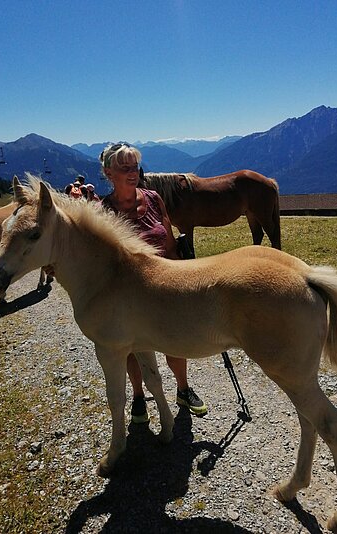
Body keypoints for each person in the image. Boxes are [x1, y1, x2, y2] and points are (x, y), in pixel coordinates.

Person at [99, 142, 207, 421]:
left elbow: (169, 243)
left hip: (165, 286)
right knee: (133, 351)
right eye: (124, 167)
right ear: (109, 172)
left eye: (134, 165)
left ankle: (183, 389)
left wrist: (182, 276)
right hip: (129, 298)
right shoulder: (104, 211)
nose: (132, 171)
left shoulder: (154, 199)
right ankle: (138, 397)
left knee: (177, 341)